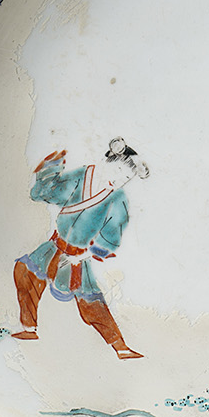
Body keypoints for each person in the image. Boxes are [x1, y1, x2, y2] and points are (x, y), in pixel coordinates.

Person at [12, 138, 148, 358]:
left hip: (78, 255)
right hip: (55, 245)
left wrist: (84, 255)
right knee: (24, 271)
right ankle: (28, 327)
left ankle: (121, 347)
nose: (119, 180)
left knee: (90, 302)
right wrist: (49, 171)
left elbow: (111, 235)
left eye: (126, 178)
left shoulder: (118, 199)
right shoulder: (84, 175)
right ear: (108, 162)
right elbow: (53, 193)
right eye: (119, 171)